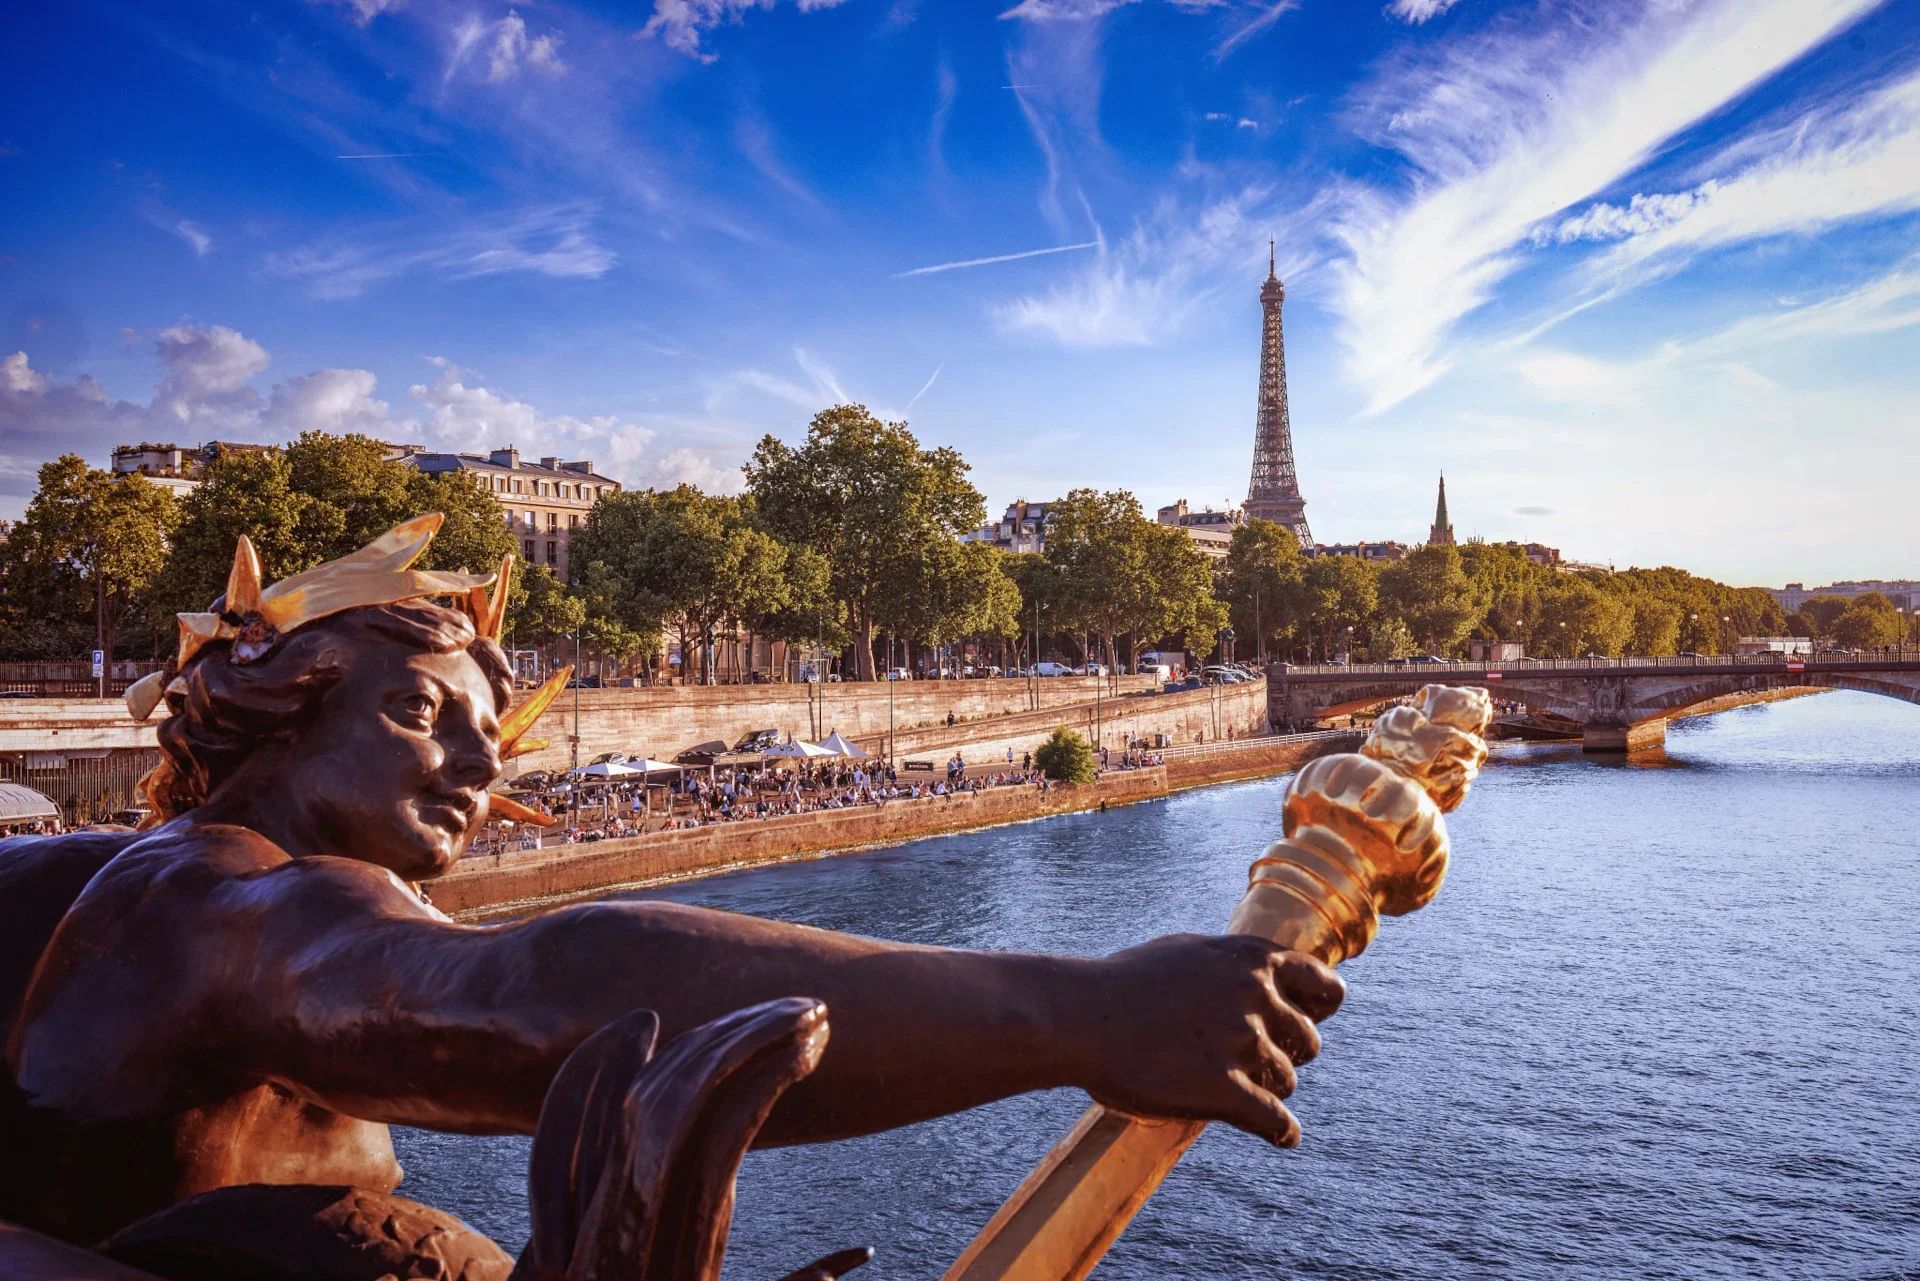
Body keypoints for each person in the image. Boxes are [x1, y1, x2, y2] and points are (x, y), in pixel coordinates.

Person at [0, 518, 1343, 1254]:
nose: (480, 761)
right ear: (278, 712)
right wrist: (1083, 1014)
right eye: (420, 711)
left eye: (490, 732)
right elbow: (521, 994)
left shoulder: (81, 878)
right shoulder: (231, 900)